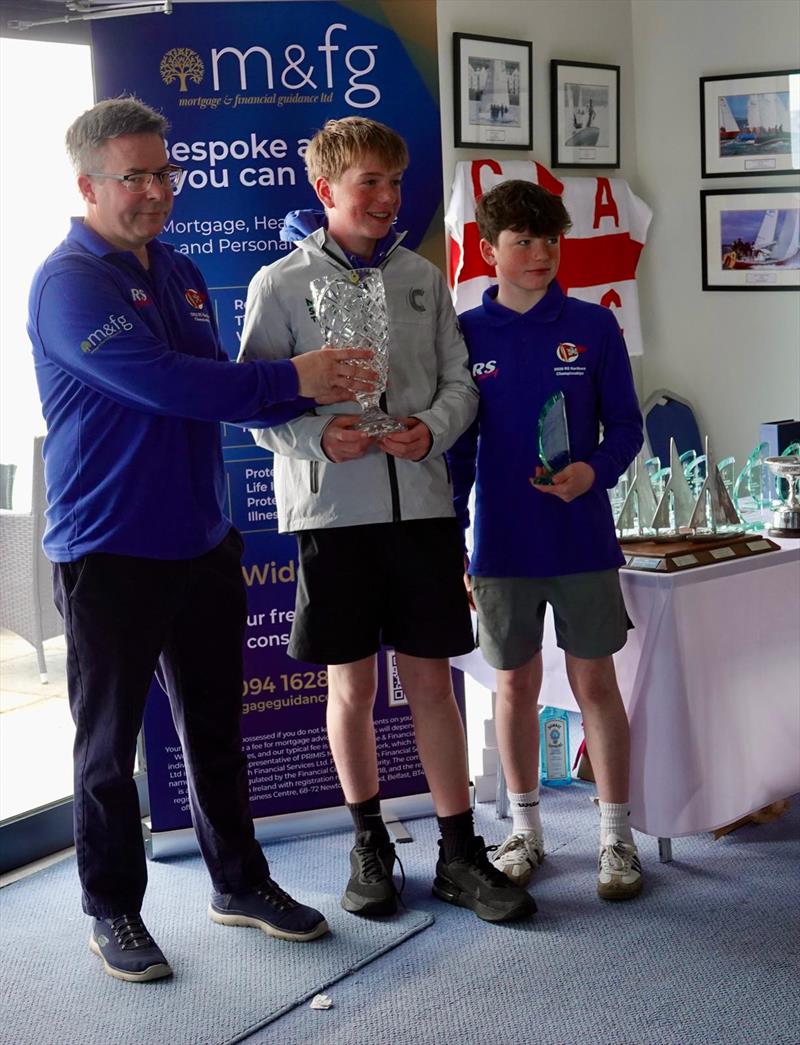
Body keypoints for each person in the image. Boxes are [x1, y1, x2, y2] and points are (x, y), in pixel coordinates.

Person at [27, 96, 379, 983]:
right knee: (107, 749)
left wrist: (308, 396)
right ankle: (113, 908)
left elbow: (221, 381)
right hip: (109, 548)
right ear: (88, 184)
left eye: (163, 172)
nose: (153, 191)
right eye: (133, 176)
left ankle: (240, 882)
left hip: (201, 540)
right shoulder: (70, 281)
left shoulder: (179, 269)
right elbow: (167, 384)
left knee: (218, 730)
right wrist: (294, 377)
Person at [239, 117, 535, 924]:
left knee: (432, 680)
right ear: (326, 189)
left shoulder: (423, 277)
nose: (384, 197)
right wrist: (316, 435)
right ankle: (369, 840)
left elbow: (461, 384)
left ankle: (458, 851)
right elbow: (256, 405)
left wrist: (432, 430)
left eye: (394, 183)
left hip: (424, 508)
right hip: (334, 514)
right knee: (353, 683)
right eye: (367, 182)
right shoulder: (279, 284)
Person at [446, 179, 645, 902]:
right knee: (514, 685)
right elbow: (457, 451)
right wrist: (455, 541)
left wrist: (591, 470)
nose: (539, 254)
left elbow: (627, 427)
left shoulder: (594, 327)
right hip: (500, 545)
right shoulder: (467, 336)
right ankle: (525, 829)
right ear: (488, 250)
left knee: (596, 683)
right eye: (523, 241)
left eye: (549, 240)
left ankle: (616, 835)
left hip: (583, 536)